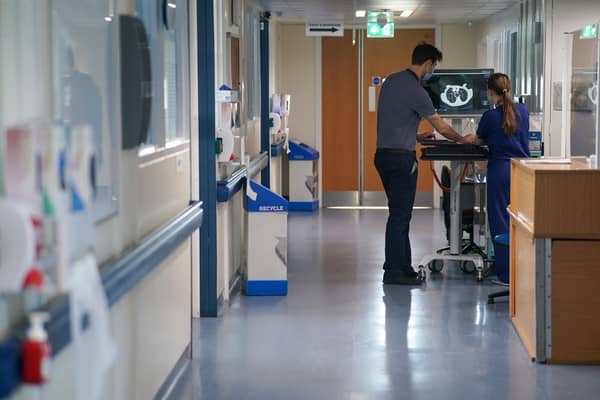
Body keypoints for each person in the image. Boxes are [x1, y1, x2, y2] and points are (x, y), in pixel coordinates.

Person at [375, 43, 475, 285]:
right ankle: (393, 272)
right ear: (428, 63)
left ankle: (404, 267)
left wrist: (416, 136)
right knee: (400, 217)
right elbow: (440, 126)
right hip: (401, 161)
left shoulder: (390, 82)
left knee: (399, 215)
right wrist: (463, 140)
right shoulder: (417, 90)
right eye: (433, 67)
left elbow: (393, 121)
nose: (431, 71)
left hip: (383, 157)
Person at [472, 73, 530, 284]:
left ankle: (506, 274)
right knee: (520, 222)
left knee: (500, 221)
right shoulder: (523, 111)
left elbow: (478, 140)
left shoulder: (490, 116)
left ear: (490, 92)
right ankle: (522, 270)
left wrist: (472, 139)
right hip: (522, 172)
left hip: (499, 171)